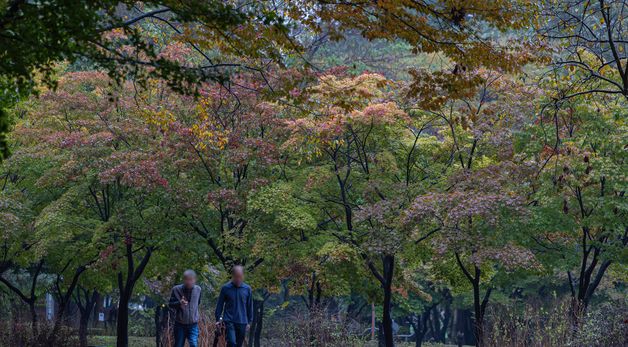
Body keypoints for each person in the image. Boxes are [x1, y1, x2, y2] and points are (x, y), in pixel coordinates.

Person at [215, 265, 254, 347]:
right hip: (229, 321)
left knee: (238, 345)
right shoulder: (225, 288)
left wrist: (249, 322)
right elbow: (220, 305)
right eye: (236, 277)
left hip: (242, 321)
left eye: (240, 277)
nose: (238, 279)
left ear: (243, 276)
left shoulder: (247, 289)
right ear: (232, 276)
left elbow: (249, 306)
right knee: (232, 343)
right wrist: (218, 319)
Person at [169, 270, 202, 347]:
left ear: (195, 280)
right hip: (180, 324)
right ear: (184, 280)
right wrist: (179, 303)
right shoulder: (176, 289)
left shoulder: (198, 290)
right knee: (178, 345)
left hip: (193, 324)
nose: (189, 282)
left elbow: (198, 303)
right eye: (187, 279)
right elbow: (170, 304)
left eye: (191, 279)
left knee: (194, 344)